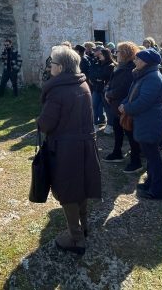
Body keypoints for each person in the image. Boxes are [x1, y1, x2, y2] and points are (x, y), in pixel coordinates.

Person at [36, 45, 102, 255]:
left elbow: (47, 124)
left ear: (61, 67)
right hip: (83, 144)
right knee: (80, 186)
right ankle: (83, 226)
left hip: (66, 147)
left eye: (52, 63)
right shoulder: (82, 83)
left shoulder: (59, 90)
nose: (50, 67)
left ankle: (75, 238)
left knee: (68, 191)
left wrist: (39, 121)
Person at [120, 48, 162, 200]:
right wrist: (124, 103)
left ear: (146, 62)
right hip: (145, 120)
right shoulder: (144, 75)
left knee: (153, 157)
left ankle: (158, 190)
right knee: (149, 155)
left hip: (150, 121)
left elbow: (144, 102)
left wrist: (126, 108)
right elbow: (132, 94)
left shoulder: (152, 77)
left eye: (138, 59)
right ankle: (150, 182)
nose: (135, 61)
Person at [103, 41, 142, 173]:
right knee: (118, 130)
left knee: (130, 134)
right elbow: (112, 82)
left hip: (124, 106)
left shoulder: (130, 68)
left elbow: (124, 89)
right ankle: (117, 153)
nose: (115, 54)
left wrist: (109, 93)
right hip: (116, 106)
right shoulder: (121, 66)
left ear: (125, 53)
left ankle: (136, 161)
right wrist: (107, 89)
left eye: (118, 51)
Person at [88, 47, 115, 128]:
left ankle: (110, 125)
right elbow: (92, 74)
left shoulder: (111, 65)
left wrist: (99, 77)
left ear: (105, 55)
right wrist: (97, 78)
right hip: (97, 88)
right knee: (94, 105)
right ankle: (95, 123)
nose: (99, 56)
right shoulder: (97, 62)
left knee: (107, 108)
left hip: (105, 89)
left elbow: (104, 75)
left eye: (101, 54)